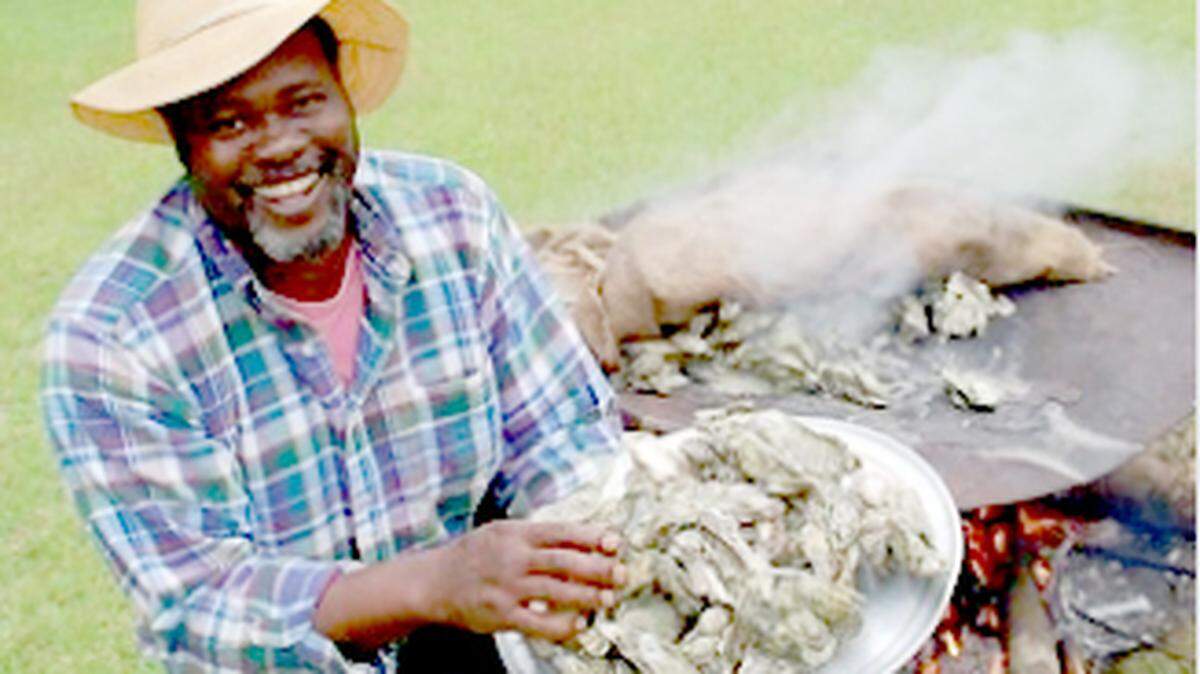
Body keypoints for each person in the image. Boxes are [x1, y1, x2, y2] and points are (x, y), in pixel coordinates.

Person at [41, 1, 625, 671]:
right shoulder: (115, 335)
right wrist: (433, 583)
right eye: (229, 122)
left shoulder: (454, 218)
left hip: (476, 638)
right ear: (180, 138)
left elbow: (560, 432)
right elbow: (199, 602)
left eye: (304, 101)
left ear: (345, 97)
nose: (282, 145)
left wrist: (582, 539)